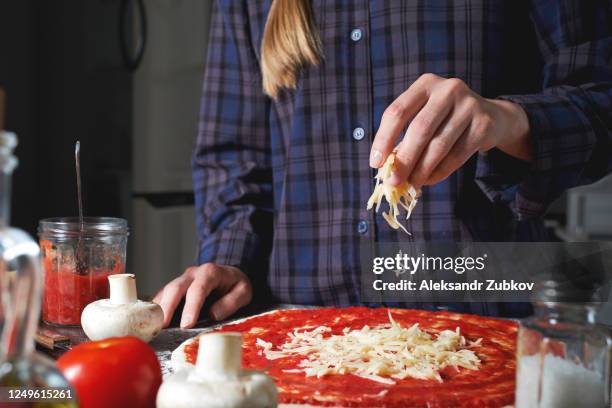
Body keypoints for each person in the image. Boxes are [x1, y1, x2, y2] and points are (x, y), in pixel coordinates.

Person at [154, 0, 612, 328]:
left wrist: (507, 119)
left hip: (482, 317)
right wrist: (231, 263)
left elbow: (600, 100)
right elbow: (237, 162)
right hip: (300, 334)